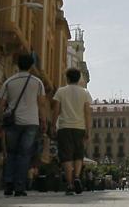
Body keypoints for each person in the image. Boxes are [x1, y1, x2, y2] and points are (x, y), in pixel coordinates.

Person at [0, 52, 46, 197]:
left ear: (18, 64)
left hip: (13, 122)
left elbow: (1, 104)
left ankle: (8, 184)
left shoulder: (9, 82)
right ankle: (19, 187)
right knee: (24, 155)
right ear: (31, 66)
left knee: (11, 153)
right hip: (31, 123)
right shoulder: (37, 82)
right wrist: (43, 121)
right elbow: (42, 105)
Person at [50, 67, 92, 195]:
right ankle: (77, 177)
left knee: (66, 156)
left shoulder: (61, 91)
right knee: (78, 154)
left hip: (64, 127)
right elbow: (87, 112)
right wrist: (88, 129)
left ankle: (69, 184)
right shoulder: (85, 93)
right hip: (80, 127)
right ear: (79, 79)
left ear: (67, 78)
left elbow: (56, 110)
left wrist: (53, 125)